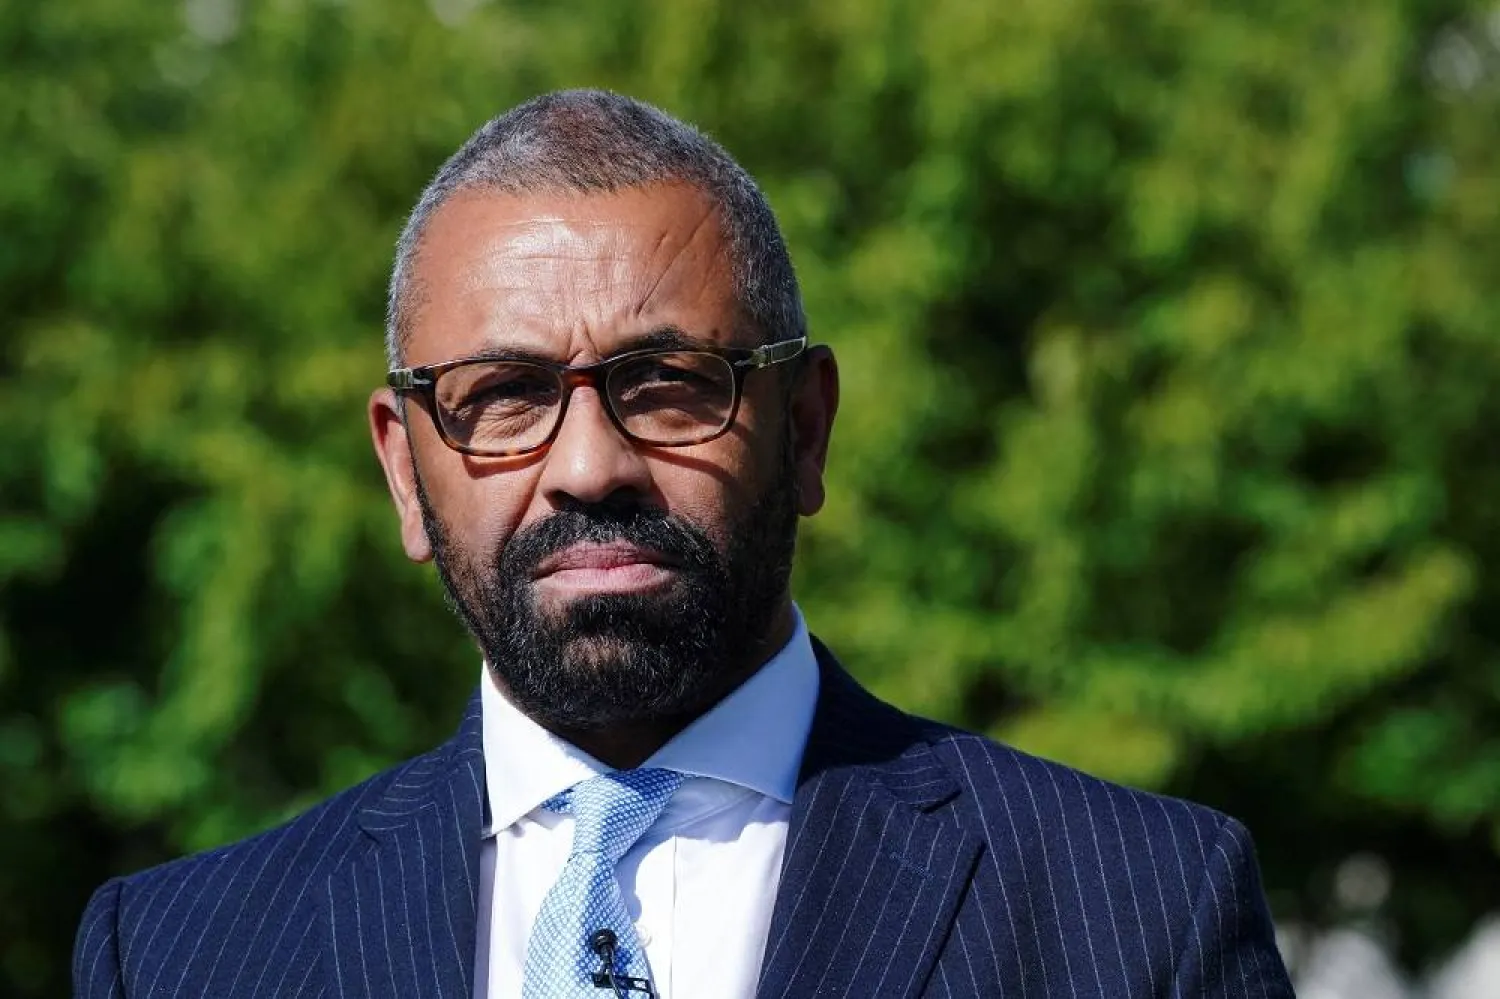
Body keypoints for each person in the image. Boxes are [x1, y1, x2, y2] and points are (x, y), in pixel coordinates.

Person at [73, 89, 1295, 998]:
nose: (589, 464)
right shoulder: (180, 955)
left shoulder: (1136, 918)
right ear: (404, 466)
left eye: (667, 384)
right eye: (504, 395)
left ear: (803, 431)